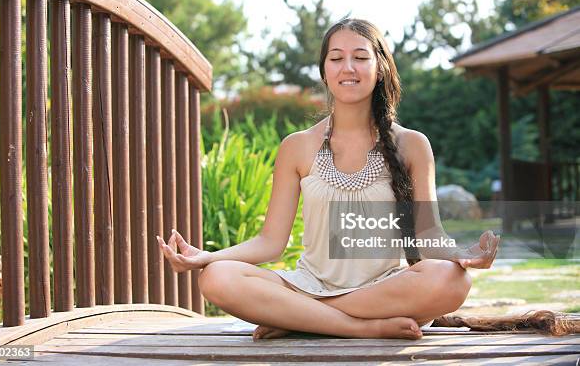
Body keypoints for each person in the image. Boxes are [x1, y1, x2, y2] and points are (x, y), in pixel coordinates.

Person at [157, 18, 555, 340]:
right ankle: (352, 327)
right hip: (310, 284)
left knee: (451, 281)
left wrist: (463, 255)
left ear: (379, 68)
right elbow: (270, 242)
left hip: (387, 288)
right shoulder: (296, 147)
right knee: (217, 279)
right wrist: (206, 257)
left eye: (360, 57)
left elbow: (429, 235)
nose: (348, 67)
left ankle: (302, 321)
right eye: (336, 58)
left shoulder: (413, 145)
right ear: (324, 71)